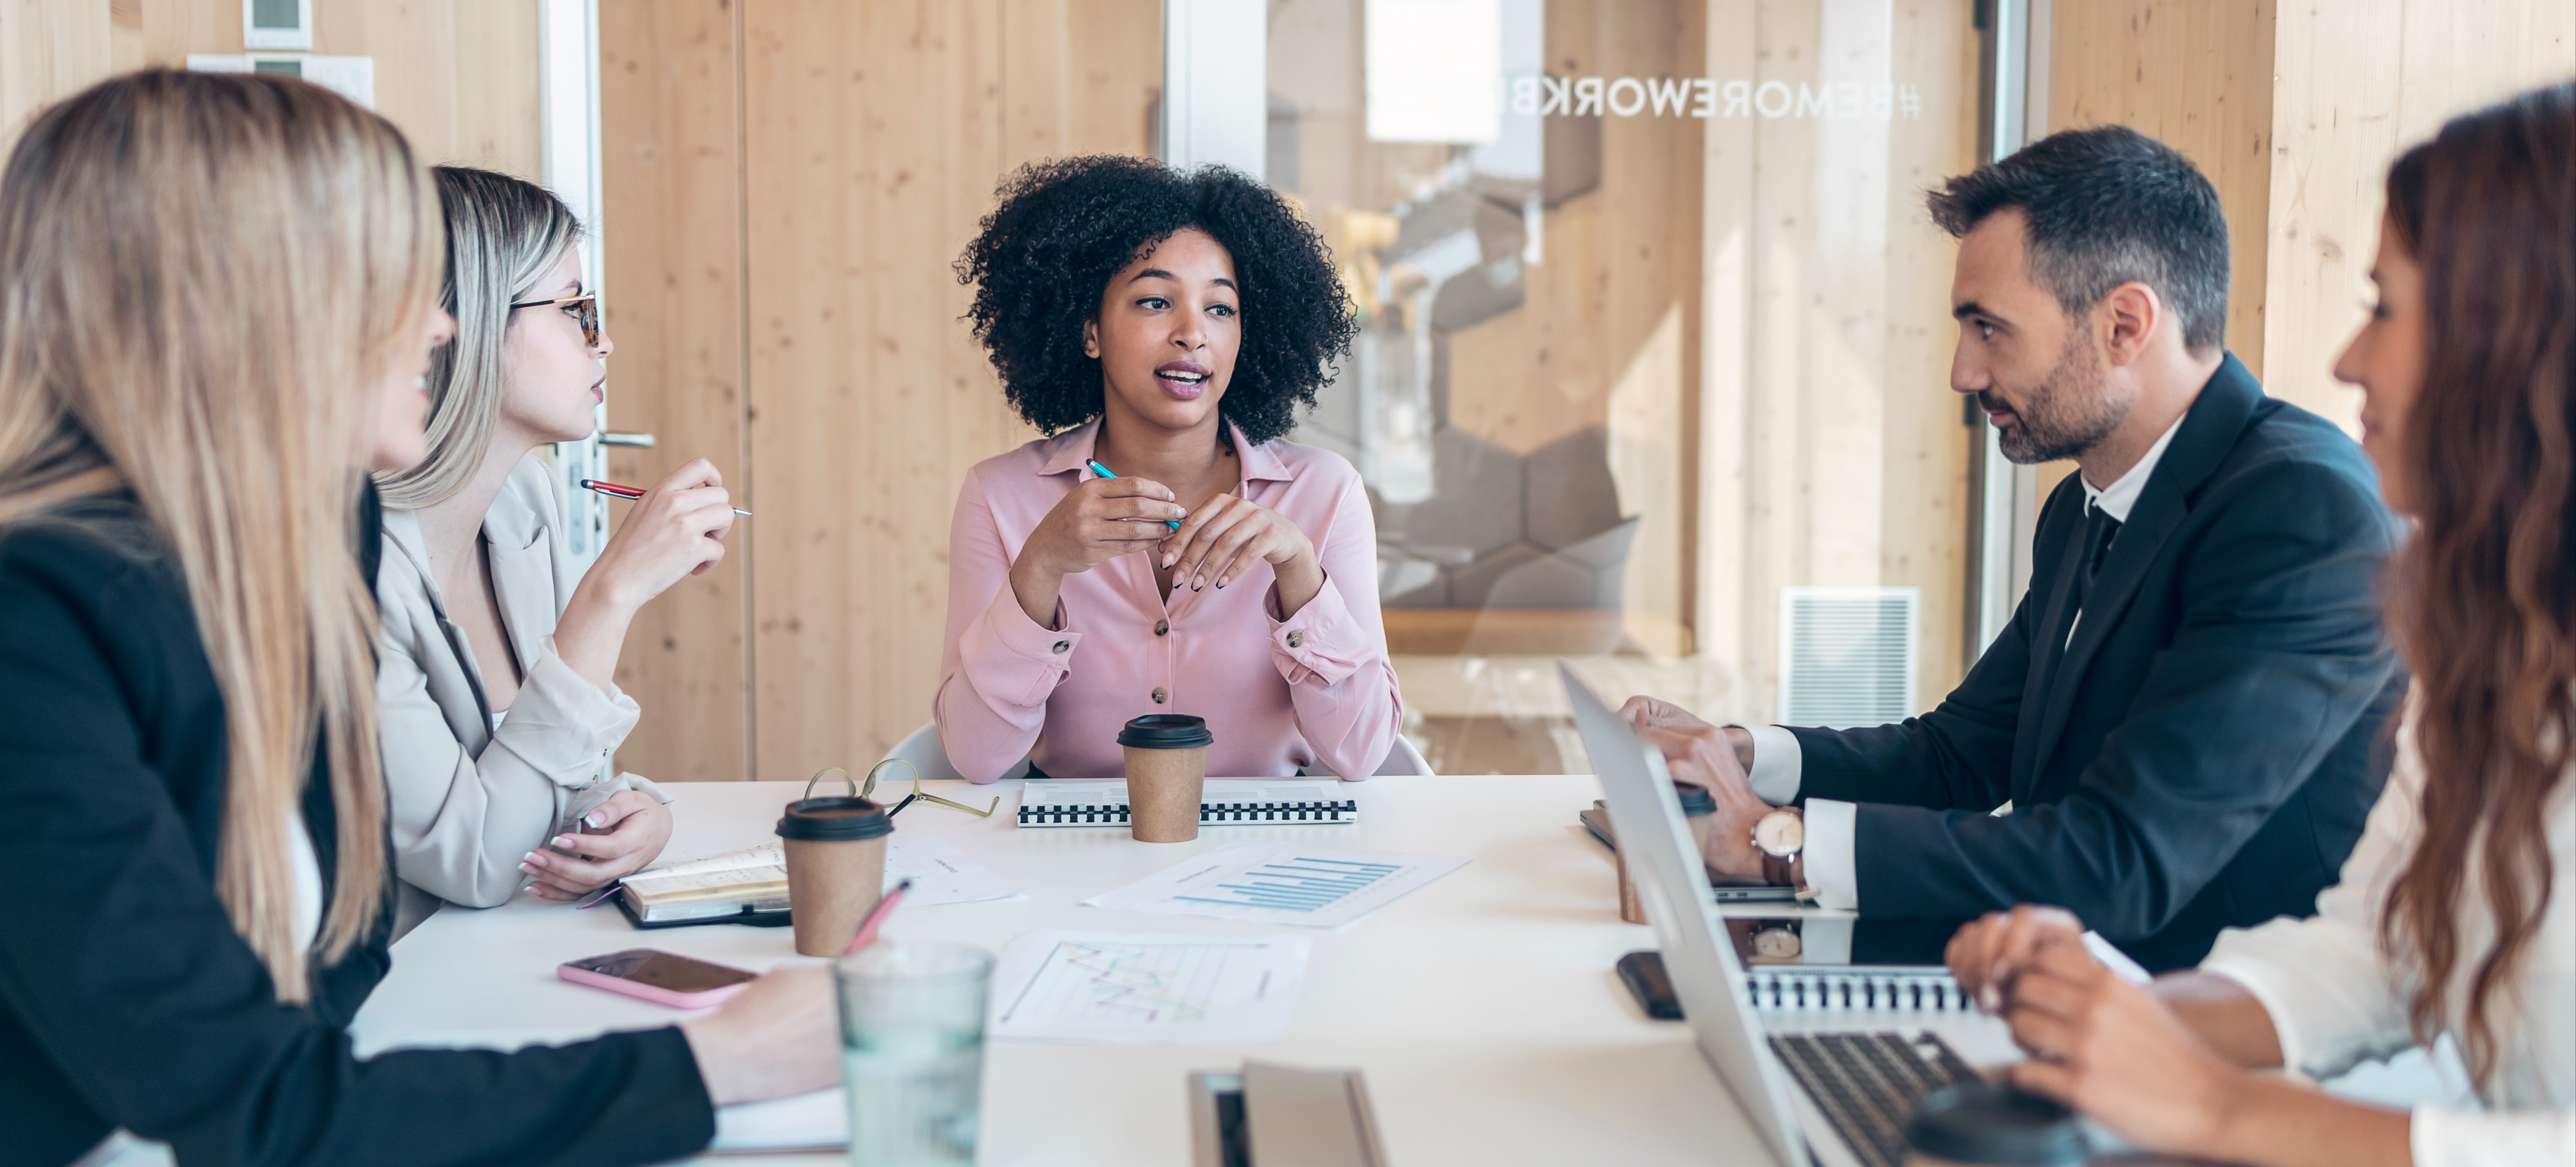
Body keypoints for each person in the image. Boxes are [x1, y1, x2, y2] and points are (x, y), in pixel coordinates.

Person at [0, 70, 829, 1167]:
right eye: (386, 282)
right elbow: (256, 1108)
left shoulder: (299, 544)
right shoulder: (33, 632)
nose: (439, 325)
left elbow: (334, 982)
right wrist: (721, 1062)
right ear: (241, 312)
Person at [1942, 84, 2574, 1167]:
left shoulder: (2298, 505)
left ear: (2519, 336)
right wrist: (2118, 1023)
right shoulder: (2494, 642)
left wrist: (2218, 1110)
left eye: (2385, 306)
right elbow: (2380, 951)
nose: (2348, 360)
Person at [1626, 125, 2405, 971]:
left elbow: (2122, 858)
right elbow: (1958, 755)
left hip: (2213, 1021)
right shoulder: (2081, 506)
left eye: (1990, 329)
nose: (1963, 372)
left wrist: (1777, 844)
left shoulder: (2301, 510)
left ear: (2125, 325)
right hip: (2062, 990)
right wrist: (1743, 759)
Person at [937, 156, 1401, 781]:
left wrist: (1299, 570)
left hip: (1267, 837)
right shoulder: (1000, 496)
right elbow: (975, 757)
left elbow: (1363, 752)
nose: (1192, 333)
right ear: (1090, 331)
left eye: (1221, 309)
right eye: (1156, 301)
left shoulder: (1326, 494)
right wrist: (1041, 564)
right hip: (1072, 841)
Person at [372, 165, 735, 926]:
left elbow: (550, 777)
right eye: (576, 309)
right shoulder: (354, 571)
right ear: (463, 323)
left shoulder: (523, 502)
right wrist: (611, 594)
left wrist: (629, 812)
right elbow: (476, 861)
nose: (605, 341)